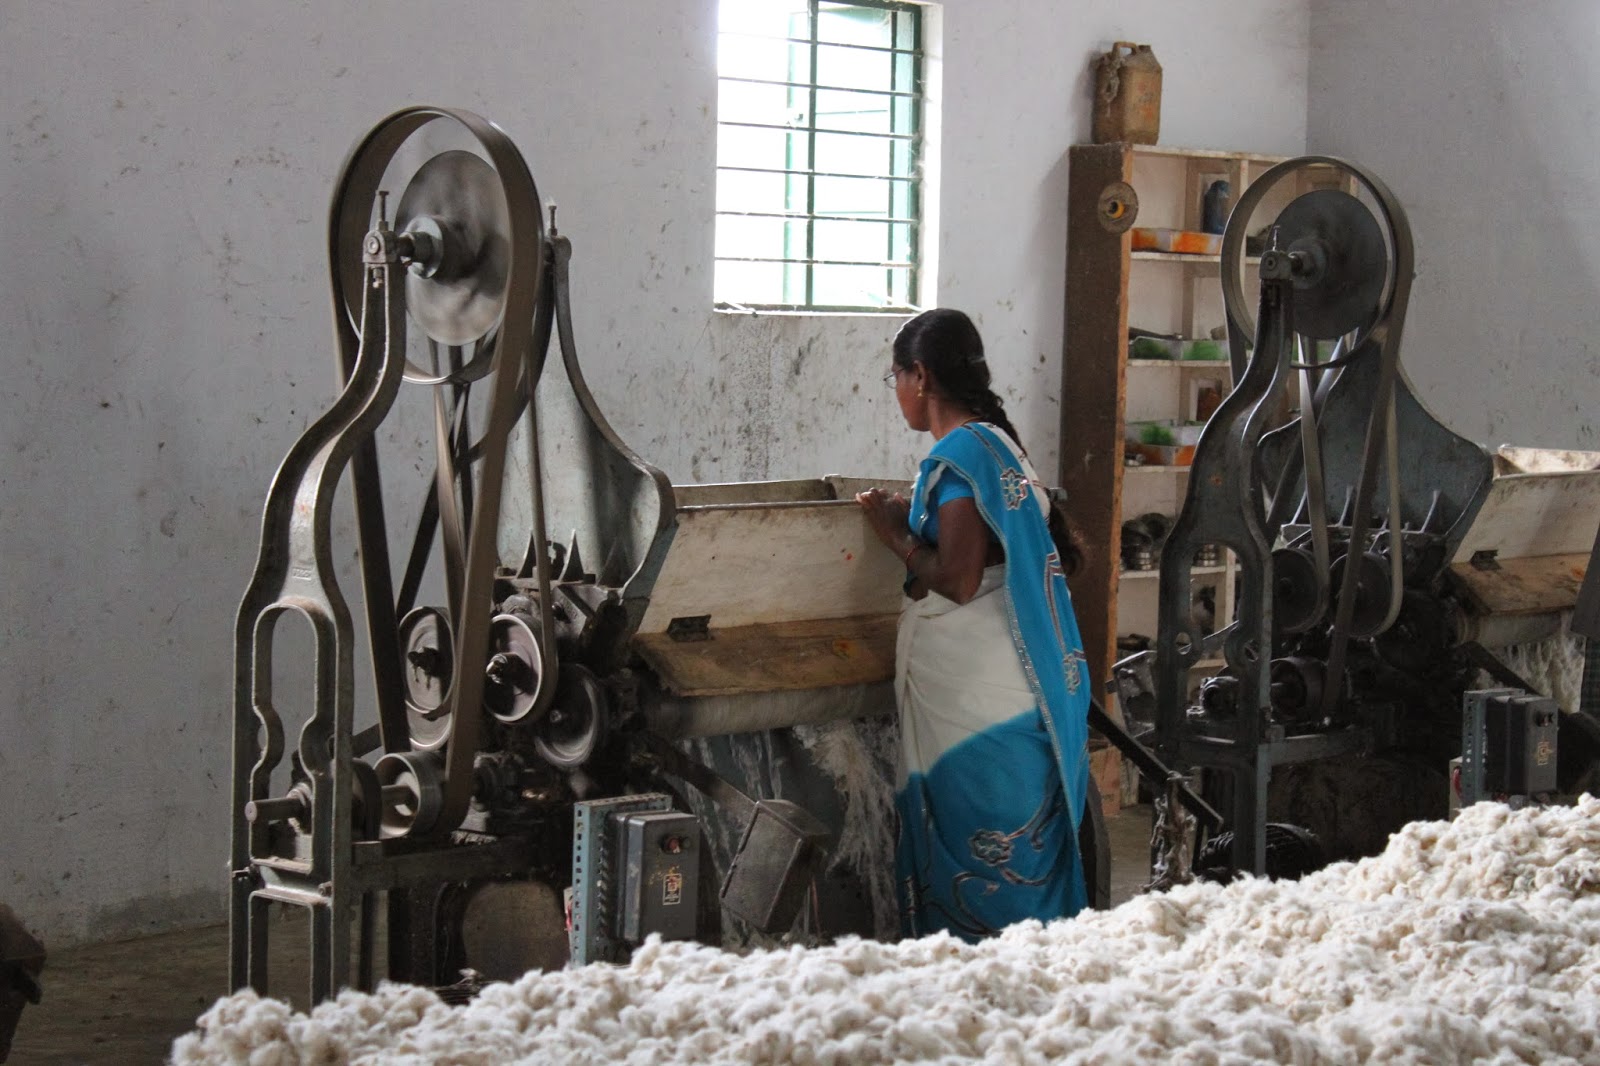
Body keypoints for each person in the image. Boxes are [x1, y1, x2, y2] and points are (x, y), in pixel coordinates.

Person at [856, 307, 1092, 942]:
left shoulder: (958, 455)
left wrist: (896, 536)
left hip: (979, 701)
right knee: (1022, 859)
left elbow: (960, 580)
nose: (897, 391)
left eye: (896, 377)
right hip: (1014, 679)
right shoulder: (998, 445)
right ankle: (1040, 972)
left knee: (982, 853)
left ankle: (986, 977)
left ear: (921, 376)